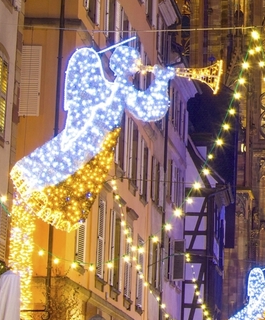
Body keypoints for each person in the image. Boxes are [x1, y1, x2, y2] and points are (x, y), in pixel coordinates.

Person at [10, 43, 175, 230]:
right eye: (136, 63)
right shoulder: (122, 88)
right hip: (96, 138)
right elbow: (147, 109)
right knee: (70, 172)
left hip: (95, 138)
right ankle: (46, 191)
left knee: (66, 172)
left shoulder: (113, 87)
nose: (139, 68)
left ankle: (44, 189)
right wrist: (161, 81)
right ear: (129, 65)